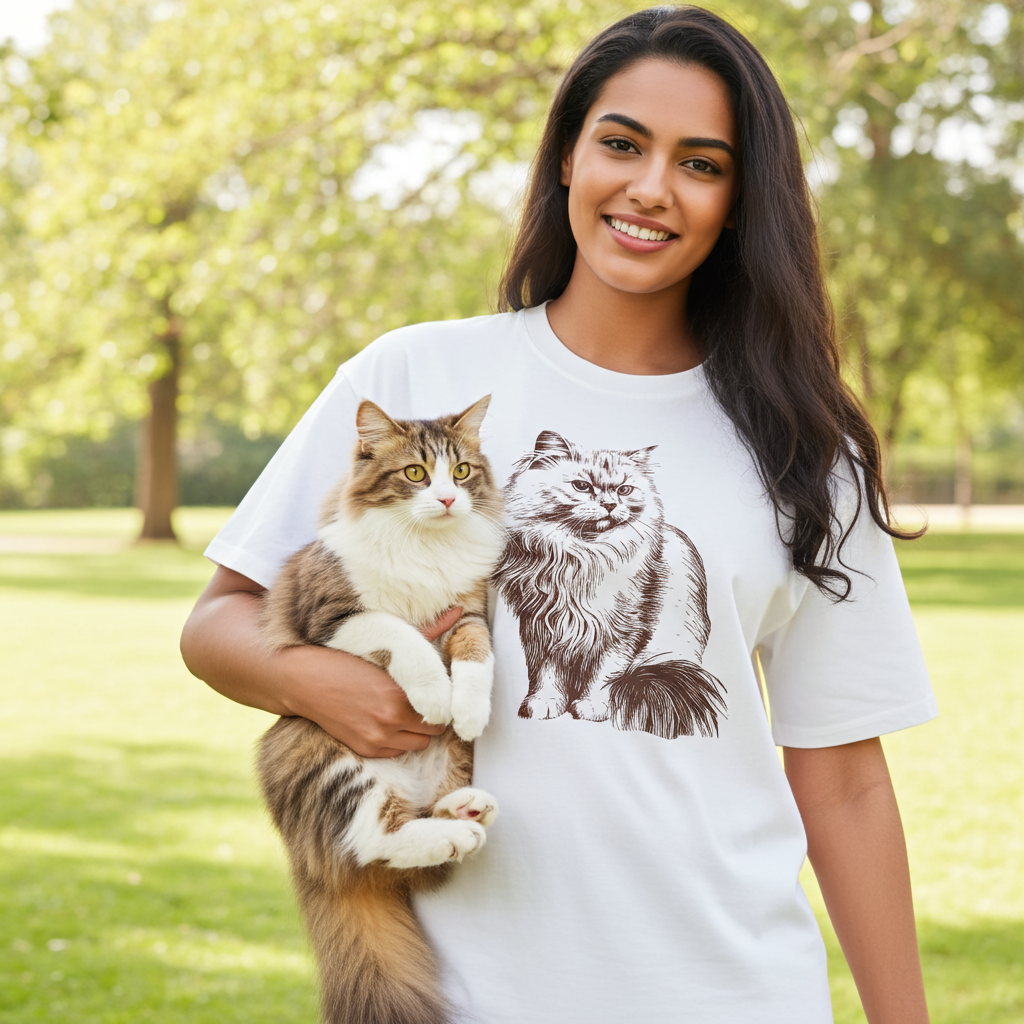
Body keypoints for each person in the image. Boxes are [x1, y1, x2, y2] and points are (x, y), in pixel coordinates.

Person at [180, 7, 936, 1023]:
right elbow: (216, 621)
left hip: (730, 989)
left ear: (739, 200)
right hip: (469, 995)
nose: (651, 187)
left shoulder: (806, 449)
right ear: (567, 159)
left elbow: (843, 781)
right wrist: (323, 683)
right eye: (622, 144)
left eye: (700, 164)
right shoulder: (414, 376)